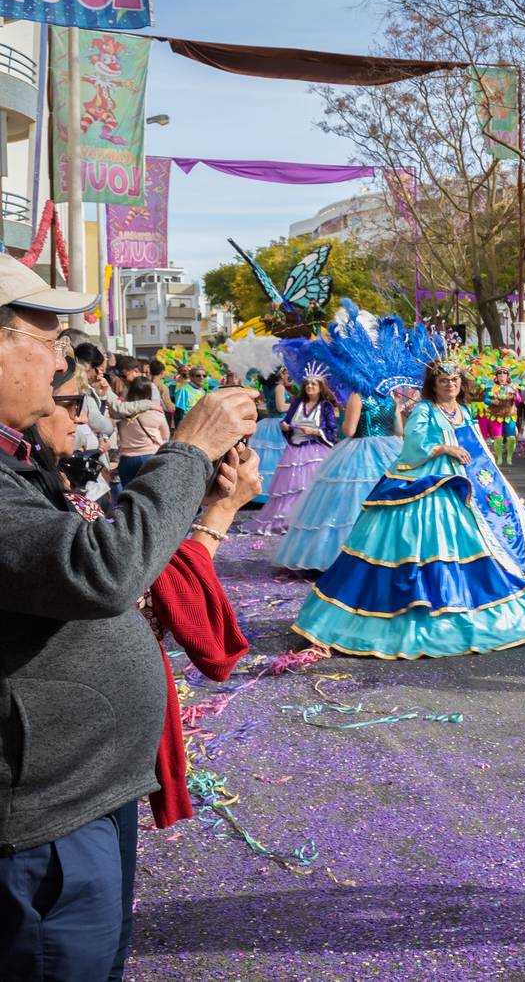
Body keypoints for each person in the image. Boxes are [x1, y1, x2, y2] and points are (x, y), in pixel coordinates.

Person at [0, 254, 259, 981]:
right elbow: (103, 570)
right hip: (41, 828)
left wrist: (212, 506)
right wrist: (190, 447)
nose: (62, 365)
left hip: (81, 798)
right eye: (47, 338)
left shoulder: (19, 463)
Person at [294, 358, 525, 657]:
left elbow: (477, 444)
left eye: (455, 380)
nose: (450, 384)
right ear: (433, 385)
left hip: (476, 479)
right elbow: (413, 440)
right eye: (444, 380)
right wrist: (443, 448)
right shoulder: (424, 409)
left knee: (495, 534)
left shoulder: (463, 410)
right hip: (431, 476)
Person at [273, 311, 429, 574]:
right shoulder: (390, 398)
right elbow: (399, 430)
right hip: (391, 448)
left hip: (360, 448)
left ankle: (338, 556)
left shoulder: (359, 396)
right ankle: (390, 554)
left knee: (343, 504)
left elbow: (349, 429)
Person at [256, 363, 339, 534]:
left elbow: (332, 432)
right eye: (307, 383)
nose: (309, 386)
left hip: (317, 451)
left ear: (320, 387)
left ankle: (313, 519)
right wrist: (285, 426)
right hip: (295, 450)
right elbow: (286, 420)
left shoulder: (326, 406)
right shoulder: (297, 403)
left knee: (311, 485)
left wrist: (314, 431)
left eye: (313, 384)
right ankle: (289, 519)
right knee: (292, 487)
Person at [115, 376, 169, 485]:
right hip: (149, 458)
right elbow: (165, 436)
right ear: (149, 393)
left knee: (128, 496)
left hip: (126, 460)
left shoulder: (121, 414)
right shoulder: (156, 413)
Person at [250, 368, 291, 503]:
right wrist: (296, 405)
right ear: (280, 374)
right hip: (279, 423)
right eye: (285, 372)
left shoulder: (267, 387)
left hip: (268, 423)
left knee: (267, 458)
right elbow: (280, 407)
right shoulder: (279, 387)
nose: (288, 375)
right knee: (277, 458)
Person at [480, 365, 523, 467]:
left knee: (511, 438)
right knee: (498, 438)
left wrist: (515, 393)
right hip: (495, 415)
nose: (502, 375)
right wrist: (492, 401)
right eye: (499, 373)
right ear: (496, 376)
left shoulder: (512, 386)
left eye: (504, 373)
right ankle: (499, 457)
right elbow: (485, 399)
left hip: (510, 415)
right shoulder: (491, 387)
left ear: (508, 376)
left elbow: (519, 400)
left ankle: (509, 456)